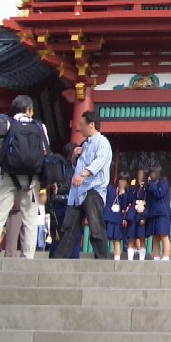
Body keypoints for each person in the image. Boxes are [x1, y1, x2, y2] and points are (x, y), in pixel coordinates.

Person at [0, 95, 49, 259]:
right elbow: (45, 151)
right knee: (30, 218)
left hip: (8, 175)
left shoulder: (5, 123)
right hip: (31, 178)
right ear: (28, 110)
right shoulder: (39, 126)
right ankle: (28, 255)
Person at [51, 111, 112, 260]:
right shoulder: (84, 144)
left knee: (95, 226)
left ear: (91, 124)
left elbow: (99, 161)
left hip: (94, 190)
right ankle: (60, 258)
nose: (79, 127)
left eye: (82, 124)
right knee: (69, 227)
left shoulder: (102, 141)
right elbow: (76, 167)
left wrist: (84, 174)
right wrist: (74, 158)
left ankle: (102, 259)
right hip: (78, 192)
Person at [48, 143, 80, 259]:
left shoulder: (57, 166)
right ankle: (72, 260)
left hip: (57, 203)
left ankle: (55, 258)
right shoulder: (71, 168)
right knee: (73, 235)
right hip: (68, 204)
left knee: (58, 235)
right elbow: (69, 185)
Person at [146, 163, 171, 260]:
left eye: (152, 172)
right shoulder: (151, 186)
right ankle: (156, 257)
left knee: (163, 236)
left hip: (162, 213)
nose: (150, 174)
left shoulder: (163, 183)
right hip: (153, 213)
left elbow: (159, 194)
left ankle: (165, 256)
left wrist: (151, 184)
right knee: (155, 237)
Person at [104, 171, 131, 260]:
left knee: (116, 240)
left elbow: (123, 208)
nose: (122, 183)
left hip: (118, 220)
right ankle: (102, 256)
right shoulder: (110, 189)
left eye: (125, 181)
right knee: (104, 238)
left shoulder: (126, 194)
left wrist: (123, 194)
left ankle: (117, 259)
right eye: (121, 180)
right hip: (108, 217)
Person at [126, 169, 148, 261]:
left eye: (141, 175)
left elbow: (148, 202)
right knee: (131, 237)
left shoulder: (147, 188)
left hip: (142, 213)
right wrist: (133, 186)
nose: (139, 176)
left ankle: (141, 258)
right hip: (133, 214)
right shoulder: (134, 186)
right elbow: (130, 198)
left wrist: (144, 217)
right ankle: (130, 258)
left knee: (142, 237)